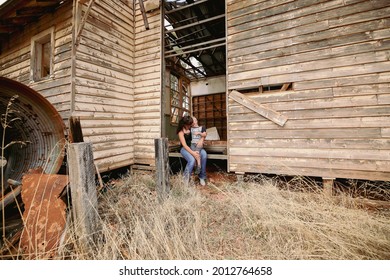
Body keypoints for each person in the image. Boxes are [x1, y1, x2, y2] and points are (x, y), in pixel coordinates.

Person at [176, 115, 207, 186]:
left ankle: (202, 177)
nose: (191, 126)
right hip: (185, 148)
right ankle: (185, 179)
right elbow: (184, 145)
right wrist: (193, 153)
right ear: (185, 124)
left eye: (191, 124)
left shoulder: (191, 128)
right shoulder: (180, 131)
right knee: (192, 160)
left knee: (204, 155)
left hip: (194, 147)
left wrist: (201, 140)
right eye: (189, 124)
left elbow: (203, 131)